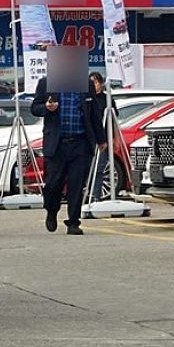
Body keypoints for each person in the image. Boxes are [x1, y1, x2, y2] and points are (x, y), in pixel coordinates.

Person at [31, 75, 107, 235]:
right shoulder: (46, 83)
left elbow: (94, 113)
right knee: (53, 184)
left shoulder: (86, 84)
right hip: (56, 144)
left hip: (80, 143)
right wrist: (46, 107)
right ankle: (51, 210)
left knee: (76, 185)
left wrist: (101, 139)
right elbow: (35, 108)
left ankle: (73, 222)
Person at [88, 71, 117, 200]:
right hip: (90, 139)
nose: (93, 85)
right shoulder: (87, 99)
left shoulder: (106, 99)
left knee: (99, 168)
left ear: (100, 83)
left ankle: (96, 196)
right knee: (89, 168)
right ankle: (89, 194)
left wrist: (114, 138)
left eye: (95, 82)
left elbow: (113, 118)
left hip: (104, 138)